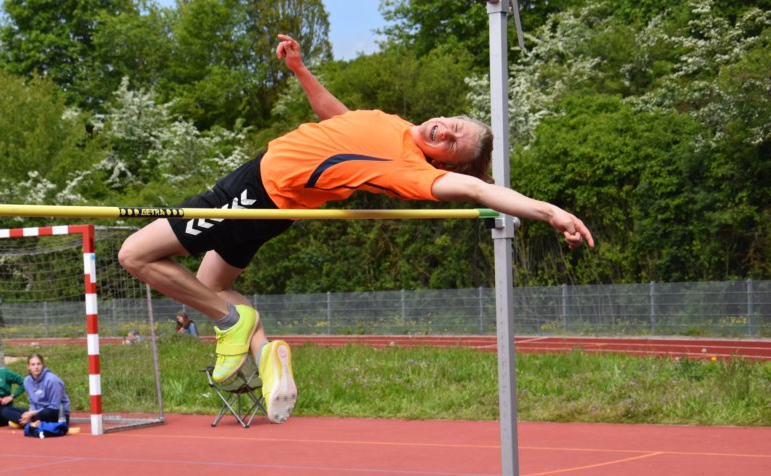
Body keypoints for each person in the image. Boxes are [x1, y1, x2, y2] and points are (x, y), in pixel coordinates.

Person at [118, 34, 594, 424]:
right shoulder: (393, 125)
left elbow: (479, 191)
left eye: (452, 144)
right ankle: (265, 354)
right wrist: (300, 70)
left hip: (255, 191)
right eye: (454, 124)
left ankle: (232, 324)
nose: (446, 130)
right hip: (275, 204)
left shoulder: (412, 170)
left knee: (135, 255)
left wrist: (549, 211)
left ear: (444, 164)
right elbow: (337, 118)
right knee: (210, 285)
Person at [12, 353, 70, 426]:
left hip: (57, 413)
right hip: (37, 412)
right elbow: (32, 402)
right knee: (6, 411)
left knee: (46, 413)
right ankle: (31, 422)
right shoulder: (27, 381)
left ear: (43, 365)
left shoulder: (53, 380)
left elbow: (55, 406)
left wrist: (32, 413)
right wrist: (30, 412)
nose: (36, 367)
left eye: (38, 364)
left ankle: (28, 422)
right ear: (28, 367)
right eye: (33, 364)